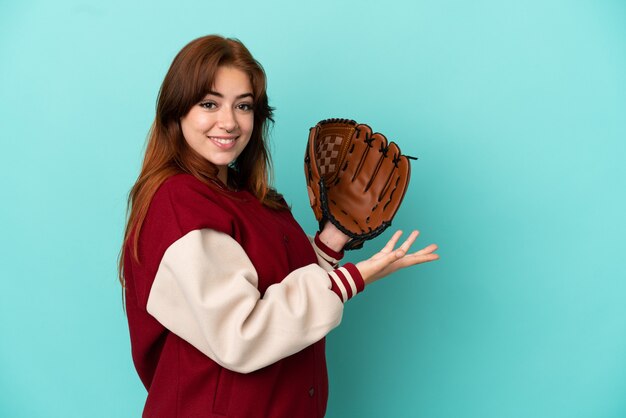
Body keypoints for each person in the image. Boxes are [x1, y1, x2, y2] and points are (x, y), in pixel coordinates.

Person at [119, 34, 439, 418]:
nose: (229, 122)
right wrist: (355, 278)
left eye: (243, 106)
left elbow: (283, 292)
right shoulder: (179, 202)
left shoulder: (251, 198)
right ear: (177, 112)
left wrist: (332, 239)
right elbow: (243, 334)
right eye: (209, 103)